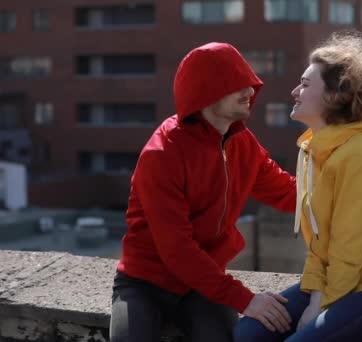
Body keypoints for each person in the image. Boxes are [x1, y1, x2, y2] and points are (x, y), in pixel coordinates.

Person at [234, 31, 362, 342]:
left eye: (306, 84)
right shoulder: (314, 150)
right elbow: (320, 241)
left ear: (334, 96)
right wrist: (313, 291)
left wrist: (319, 305)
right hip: (338, 276)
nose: (295, 91)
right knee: (248, 333)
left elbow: (348, 246)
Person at [109, 42, 297, 342]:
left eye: (249, 82)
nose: (250, 91)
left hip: (203, 285)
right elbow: (177, 250)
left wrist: (350, 193)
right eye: (236, 84)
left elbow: (288, 192)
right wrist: (246, 299)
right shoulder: (162, 153)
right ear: (205, 92)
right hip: (144, 283)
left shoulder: (242, 143)